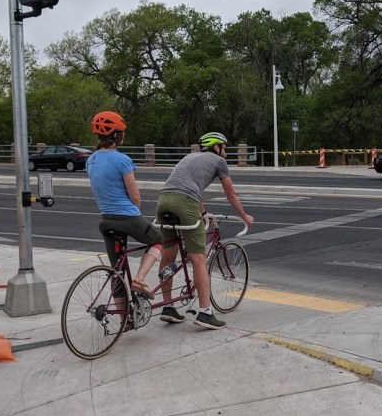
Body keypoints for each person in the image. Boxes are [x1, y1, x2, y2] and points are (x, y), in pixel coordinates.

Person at [155, 132, 255, 329]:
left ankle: (168, 307)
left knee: (168, 255)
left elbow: (186, 188)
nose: (225, 152)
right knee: (198, 259)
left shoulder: (189, 157)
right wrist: (245, 217)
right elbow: (231, 195)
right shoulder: (219, 161)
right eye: (224, 148)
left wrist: (204, 212)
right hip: (185, 203)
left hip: (163, 201)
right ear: (216, 147)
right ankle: (205, 312)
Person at [85, 111, 162, 300]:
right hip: (127, 217)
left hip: (106, 220)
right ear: (116, 135)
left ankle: (123, 320)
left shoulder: (91, 159)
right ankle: (139, 279)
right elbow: (135, 197)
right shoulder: (122, 160)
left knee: (116, 271)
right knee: (158, 240)